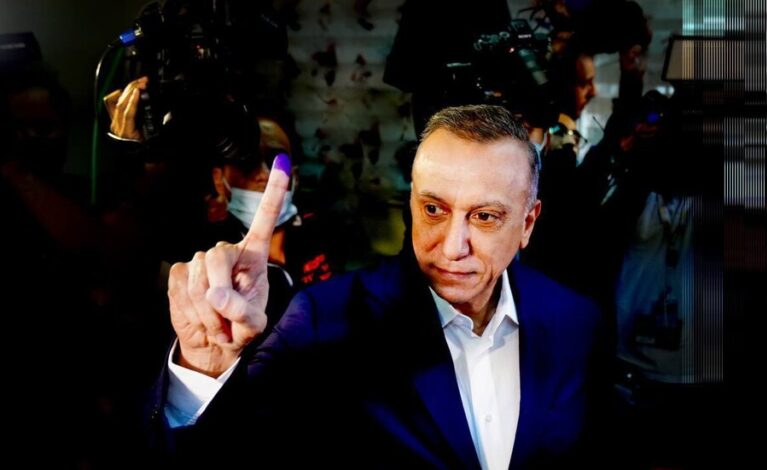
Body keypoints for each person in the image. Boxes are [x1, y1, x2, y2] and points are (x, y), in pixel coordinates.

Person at [151, 105, 605, 468]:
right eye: (434, 209)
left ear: (527, 223)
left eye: (484, 217)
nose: (453, 247)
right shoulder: (325, 318)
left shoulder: (576, 321)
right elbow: (228, 456)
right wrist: (203, 370)